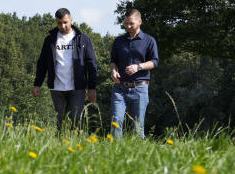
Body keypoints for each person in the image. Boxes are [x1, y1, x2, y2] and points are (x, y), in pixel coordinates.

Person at [32, 8, 99, 130]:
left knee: (76, 119)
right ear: (56, 22)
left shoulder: (83, 39)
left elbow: (91, 64)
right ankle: (61, 146)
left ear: (71, 20)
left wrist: (92, 87)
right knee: (61, 121)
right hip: (57, 87)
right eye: (59, 23)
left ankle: (75, 145)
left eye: (65, 22)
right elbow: (42, 63)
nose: (62, 26)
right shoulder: (50, 40)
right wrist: (37, 84)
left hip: (77, 87)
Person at [109, 8, 159, 139]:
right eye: (126, 23)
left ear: (140, 22)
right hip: (120, 88)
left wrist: (139, 67)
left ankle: (139, 157)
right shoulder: (118, 41)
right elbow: (113, 61)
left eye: (131, 23)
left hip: (140, 88)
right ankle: (114, 154)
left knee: (138, 127)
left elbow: (154, 62)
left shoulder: (149, 40)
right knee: (116, 122)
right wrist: (113, 71)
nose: (128, 26)